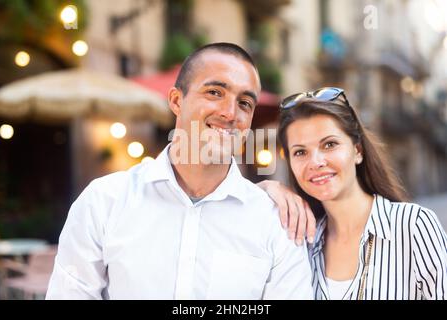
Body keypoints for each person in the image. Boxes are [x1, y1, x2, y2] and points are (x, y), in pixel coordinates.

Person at [46, 43, 313, 299]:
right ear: (176, 100)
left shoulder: (277, 222)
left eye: (244, 103)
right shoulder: (103, 202)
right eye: (215, 93)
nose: (230, 113)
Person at [260, 87, 447, 300]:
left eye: (329, 144)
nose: (316, 162)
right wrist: (264, 189)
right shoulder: (300, 242)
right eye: (300, 152)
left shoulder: (412, 225)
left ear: (357, 151)